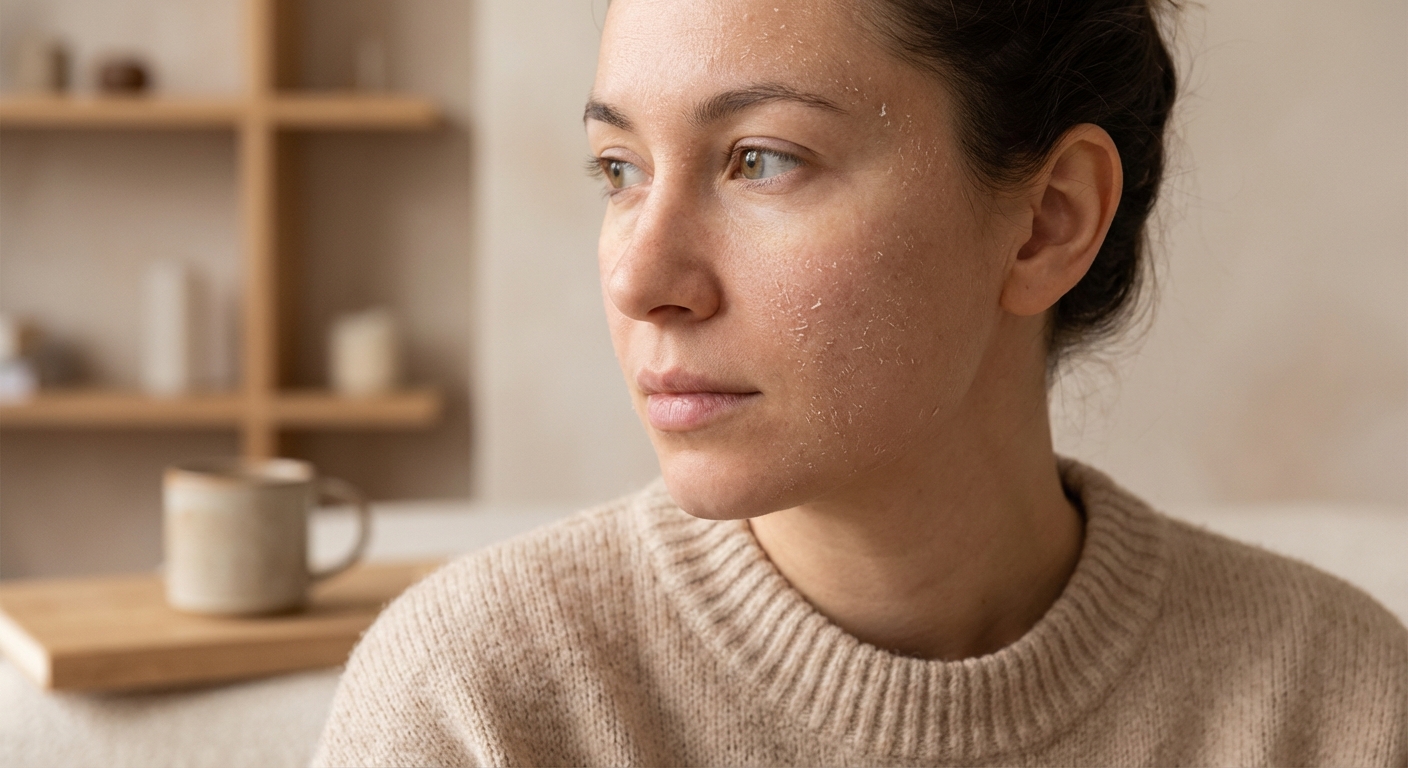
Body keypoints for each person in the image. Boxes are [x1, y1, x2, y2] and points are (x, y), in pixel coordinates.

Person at [314, 0, 1408, 764]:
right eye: (620, 170)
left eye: (760, 158)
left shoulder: (1337, 707)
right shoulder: (479, 705)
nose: (641, 278)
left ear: (1048, 221)